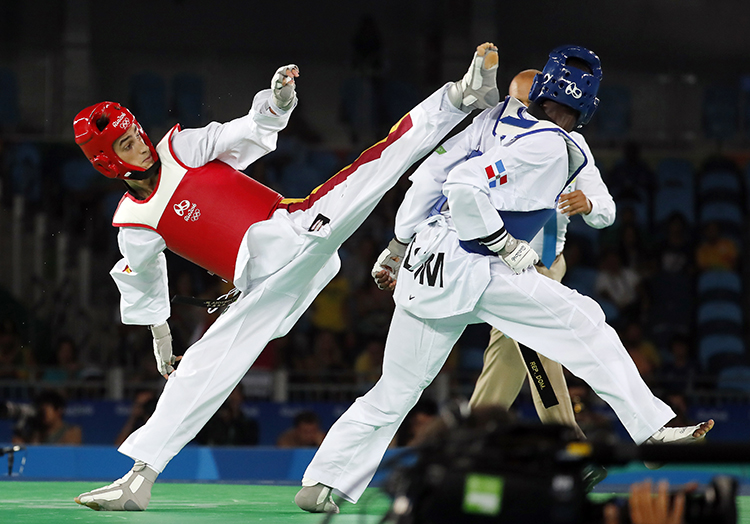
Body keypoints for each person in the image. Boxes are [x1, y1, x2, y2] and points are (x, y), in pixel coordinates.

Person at [72, 42, 499, 511]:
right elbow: (145, 280)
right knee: (203, 366)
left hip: (298, 232)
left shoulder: (181, 148)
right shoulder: (133, 222)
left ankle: (461, 94)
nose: (140, 142)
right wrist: (160, 338)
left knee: (378, 163)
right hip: (264, 287)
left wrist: (276, 102)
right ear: (107, 161)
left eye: (135, 132)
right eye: (126, 143)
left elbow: (250, 130)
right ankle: (140, 479)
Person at [297, 45, 714, 514]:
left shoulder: (487, 122)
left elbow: (429, 178)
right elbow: (461, 186)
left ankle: (322, 481)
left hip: (427, 264)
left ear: (537, 92)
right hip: (477, 266)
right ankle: (653, 432)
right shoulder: (552, 142)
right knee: (586, 323)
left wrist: (396, 247)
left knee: (395, 391)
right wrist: (504, 244)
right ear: (588, 108)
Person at [461, 68, 615, 442]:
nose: (526, 110)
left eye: (535, 103)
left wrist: (589, 202)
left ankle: (474, 439)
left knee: (510, 351)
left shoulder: (574, 146)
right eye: (518, 103)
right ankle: (567, 439)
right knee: (536, 342)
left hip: (551, 264)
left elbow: (606, 212)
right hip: (507, 262)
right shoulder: (494, 141)